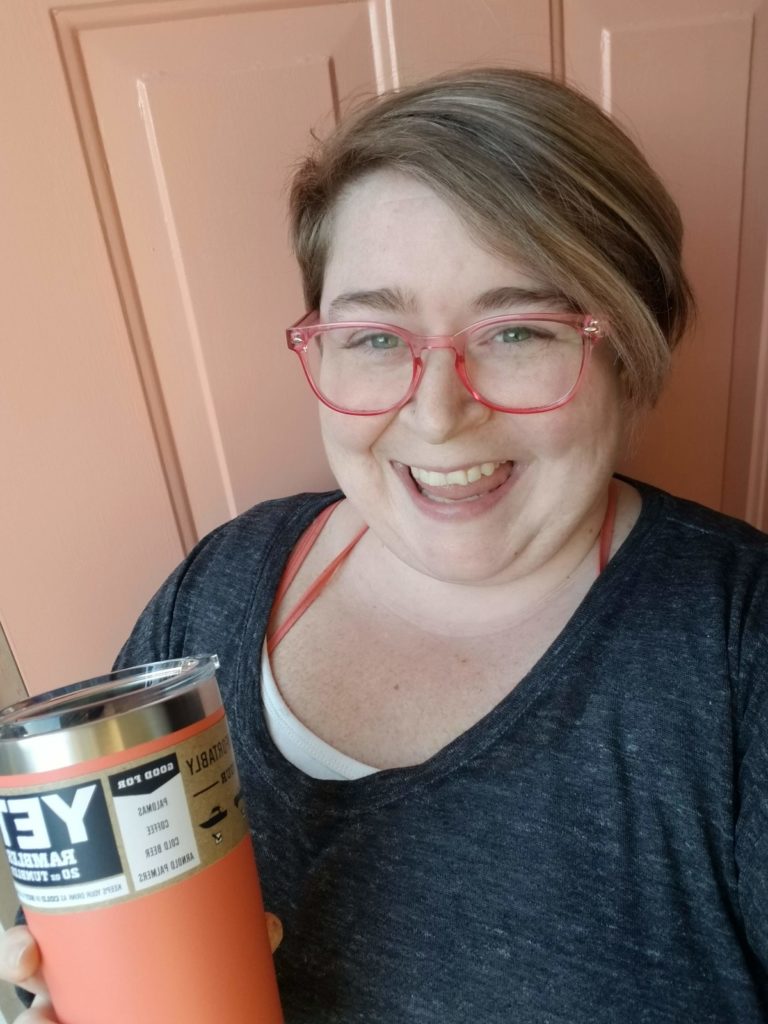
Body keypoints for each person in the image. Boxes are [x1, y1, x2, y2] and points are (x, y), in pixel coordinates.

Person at [3, 66, 767, 1023]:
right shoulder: (222, 585)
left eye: (517, 330)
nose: (438, 414)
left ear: (632, 349)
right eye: (373, 337)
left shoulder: (739, 651)